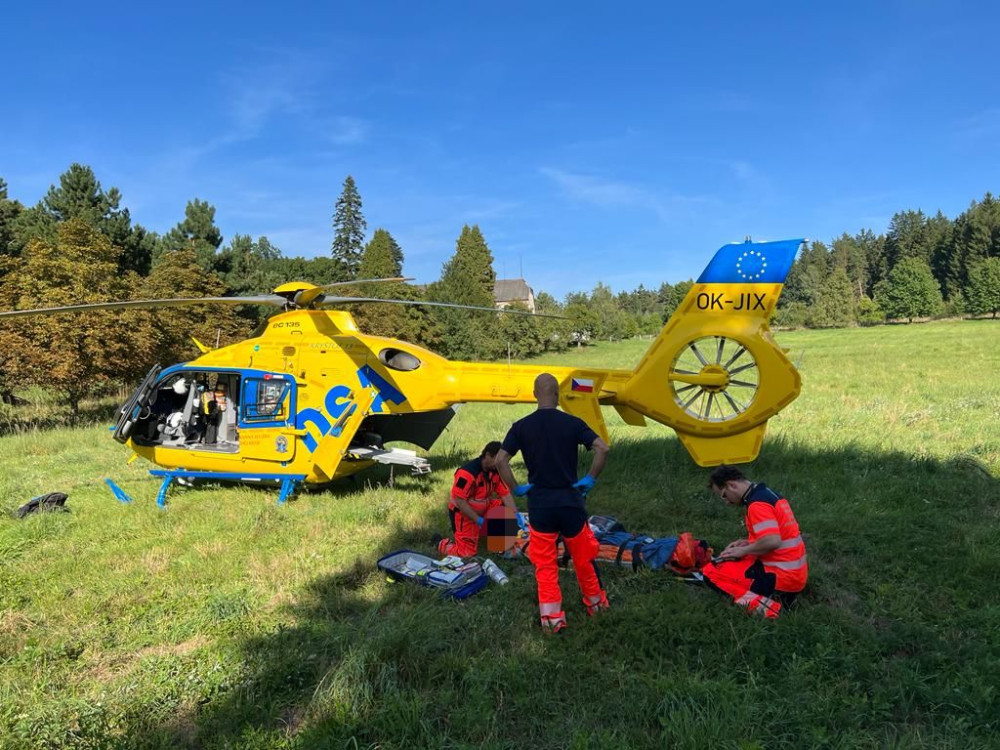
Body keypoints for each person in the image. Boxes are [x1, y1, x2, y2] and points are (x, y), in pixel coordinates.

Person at [495, 373, 611, 634]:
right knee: (583, 558)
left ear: (535, 394)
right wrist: (590, 479)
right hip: (571, 503)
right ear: (557, 395)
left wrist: (517, 488)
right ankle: (597, 606)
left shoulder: (521, 426)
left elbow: (501, 460)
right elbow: (602, 448)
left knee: (545, 565)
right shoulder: (572, 422)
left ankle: (553, 621)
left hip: (541, 506)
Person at [701, 465, 808, 618]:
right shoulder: (767, 494)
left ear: (732, 485)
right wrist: (746, 542)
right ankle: (784, 599)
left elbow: (772, 541)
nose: (726, 502)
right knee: (730, 561)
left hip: (781, 578)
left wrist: (744, 551)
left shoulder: (757, 504)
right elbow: (778, 535)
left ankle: (772, 609)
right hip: (793, 574)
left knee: (710, 573)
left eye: (724, 495)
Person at [434, 441, 519, 558]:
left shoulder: (495, 471)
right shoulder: (467, 473)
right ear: (488, 455)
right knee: (467, 553)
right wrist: (478, 520)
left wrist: (515, 515)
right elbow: (460, 501)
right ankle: (441, 544)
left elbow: (505, 494)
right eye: (497, 460)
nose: (499, 464)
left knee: (505, 509)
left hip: (484, 506)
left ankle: (498, 544)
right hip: (464, 513)